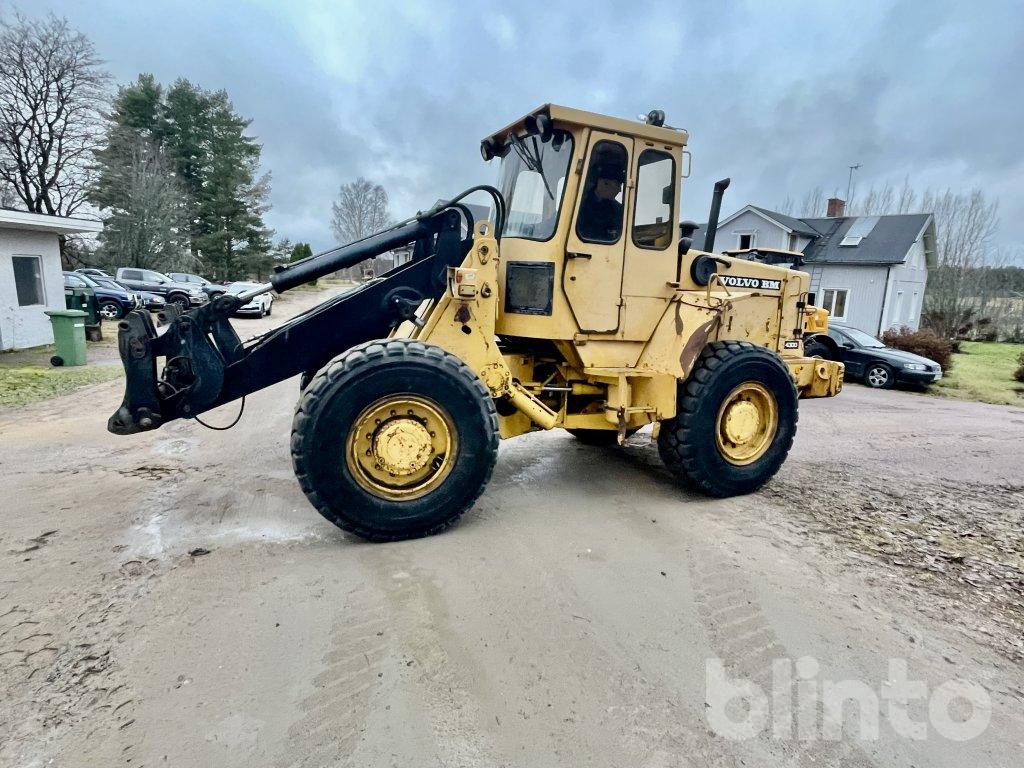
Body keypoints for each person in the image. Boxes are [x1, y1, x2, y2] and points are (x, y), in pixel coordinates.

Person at [577, 160, 625, 242]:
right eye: (617, 184)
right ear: (603, 183)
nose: (620, 190)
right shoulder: (579, 208)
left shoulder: (618, 210)